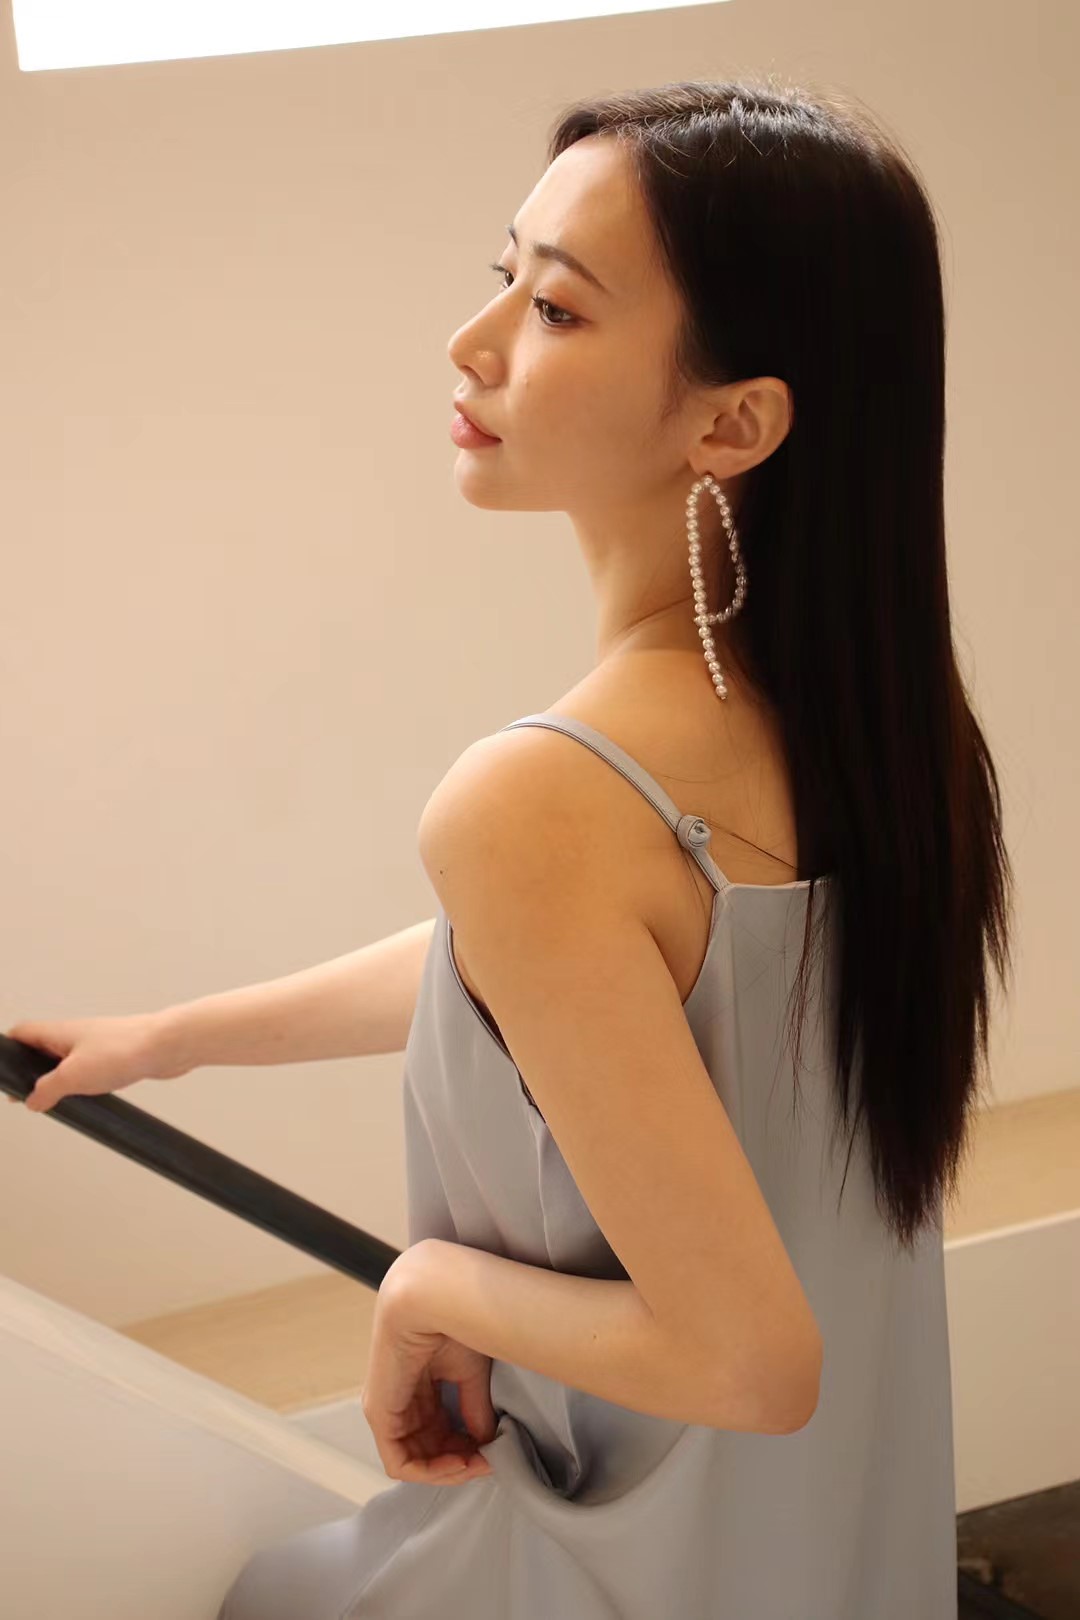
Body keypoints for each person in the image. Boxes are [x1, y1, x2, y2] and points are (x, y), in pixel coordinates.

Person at [10, 75, 1014, 1619]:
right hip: (822, 1550)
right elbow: (562, 983)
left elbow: (754, 1360)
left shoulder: (544, 800)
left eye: (555, 307)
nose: (471, 343)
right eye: (504, 276)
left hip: (611, 1557)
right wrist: (173, 1039)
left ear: (734, 421)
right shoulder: (871, 738)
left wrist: (435, 1288)